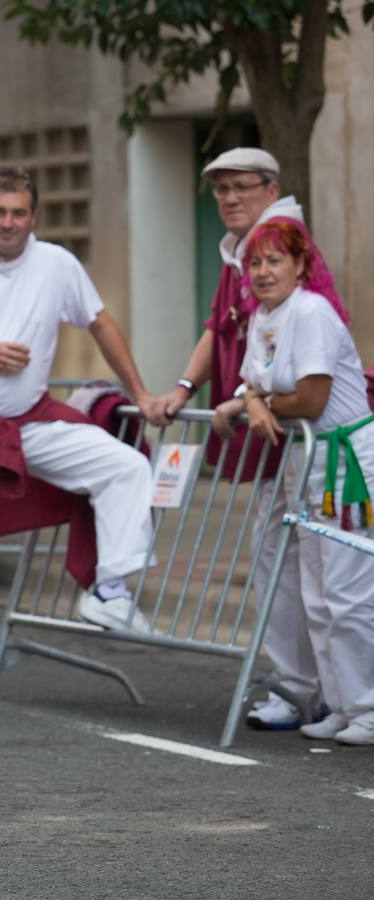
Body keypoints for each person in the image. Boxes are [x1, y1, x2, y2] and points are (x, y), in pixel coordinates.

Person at [0, 166, 161, 715]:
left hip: (29, 420)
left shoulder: (57, 264)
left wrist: (141, 391)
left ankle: (110, 590)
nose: (9, 223)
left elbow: (102, 324)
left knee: (126, 466)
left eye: (19, 213)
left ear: (33, 217)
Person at [154, 148, 322, 731]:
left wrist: (250, 397)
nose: (228, 198)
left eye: (240, 187)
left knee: (304, 570)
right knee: (284, 561)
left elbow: (282, 348)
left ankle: (309, 691)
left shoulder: (280, 243)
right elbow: (218, 329)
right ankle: (308, 689)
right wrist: (184, 386)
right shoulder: (242, 253)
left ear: (271, 189)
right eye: (221, 189)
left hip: (304, 434)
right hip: (277, 429)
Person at [211, 217, 374, 746]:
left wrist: (260, 402)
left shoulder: (313, 312)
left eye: (274, 260)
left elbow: (310, 399)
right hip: (308, 465)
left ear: (301, 265)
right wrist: (253, 399)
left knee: (348, 594)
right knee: (318, 596)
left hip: (348, 464)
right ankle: (343, 704)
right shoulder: (263, 317)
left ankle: (369, 709)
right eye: (255, 262)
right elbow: (252, 381)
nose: (262, 272)